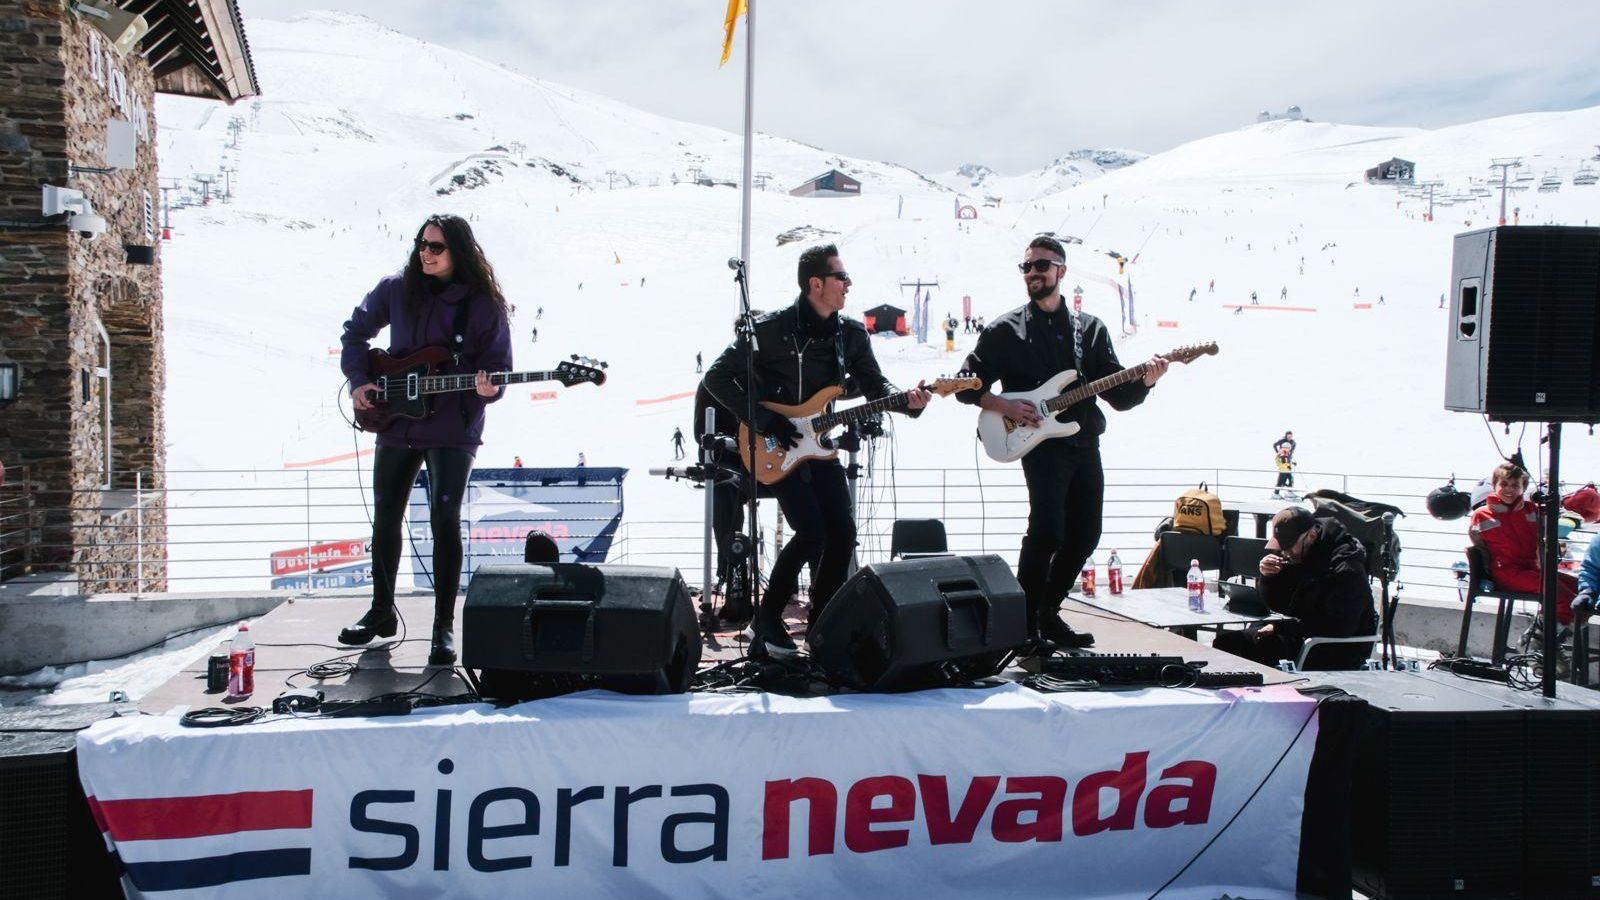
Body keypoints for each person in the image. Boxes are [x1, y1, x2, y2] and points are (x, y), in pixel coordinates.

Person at [704, 243, 930, 658]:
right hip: (775, 445)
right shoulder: (769, 330)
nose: (848, 285)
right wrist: (764, 419)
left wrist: (906, 400)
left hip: (818, 443)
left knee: (842, 533)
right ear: (816, 284)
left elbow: (875, 385)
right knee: (812, 531)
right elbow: (716, 378)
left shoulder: (851, 335)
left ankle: (823, 622)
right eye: (841, 277)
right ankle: (767, 617)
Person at [956, 235, 1168, 648]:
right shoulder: (1005, 330)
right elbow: (967, 386)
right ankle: (1022, 625)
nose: (1033, 273)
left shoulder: (1088, 330)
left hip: (1084, 439)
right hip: (1040, 444)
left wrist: (1145, 382)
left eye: (1041, 265)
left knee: (1086, 533)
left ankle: (1046, 612)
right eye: (1027, 267)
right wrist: (1005, 406)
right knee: (1047, 530)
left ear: (1061, 272)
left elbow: (1119, 396)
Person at [338, 214, 512, 666]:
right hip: (396, 422)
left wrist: (491, 388)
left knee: (443, 518)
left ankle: (443, 627)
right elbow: (355, 334)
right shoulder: (395, 290)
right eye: (422, 244)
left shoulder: (484, 305)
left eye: (437, 247)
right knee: (385, 519)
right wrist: (359, 380)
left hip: (453, 428)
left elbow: (498, 369)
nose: (426, 254)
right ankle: (381, 614)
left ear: (459, 252)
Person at [1212, 508, 1377, 669]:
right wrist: (1269, 577)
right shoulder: (1299, 554)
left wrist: (1280, 628)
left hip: (1334, 647)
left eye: (1289, 546)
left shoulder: (1346, 568)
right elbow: (1278, 605)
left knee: (1253, 649)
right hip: (1304, 633)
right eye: (1282, 546)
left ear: (1311, 536)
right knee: (1226, 643)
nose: (1285, 552)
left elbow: (1340, 626)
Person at [1470, 462, 1579, 628]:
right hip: (1507, 573)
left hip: (1531, 570)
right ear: (1494, 486)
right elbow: (1479, 546)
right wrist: (1487, 576)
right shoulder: (1482, 515)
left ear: (1523, 488)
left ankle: (1564, 634)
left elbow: (1551, 525)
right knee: (1560, 595)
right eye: (1504, 484)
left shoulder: (1531, 511)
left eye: (1515, 485)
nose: (1509, 490)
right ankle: (1541, 636)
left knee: (1580, 588)